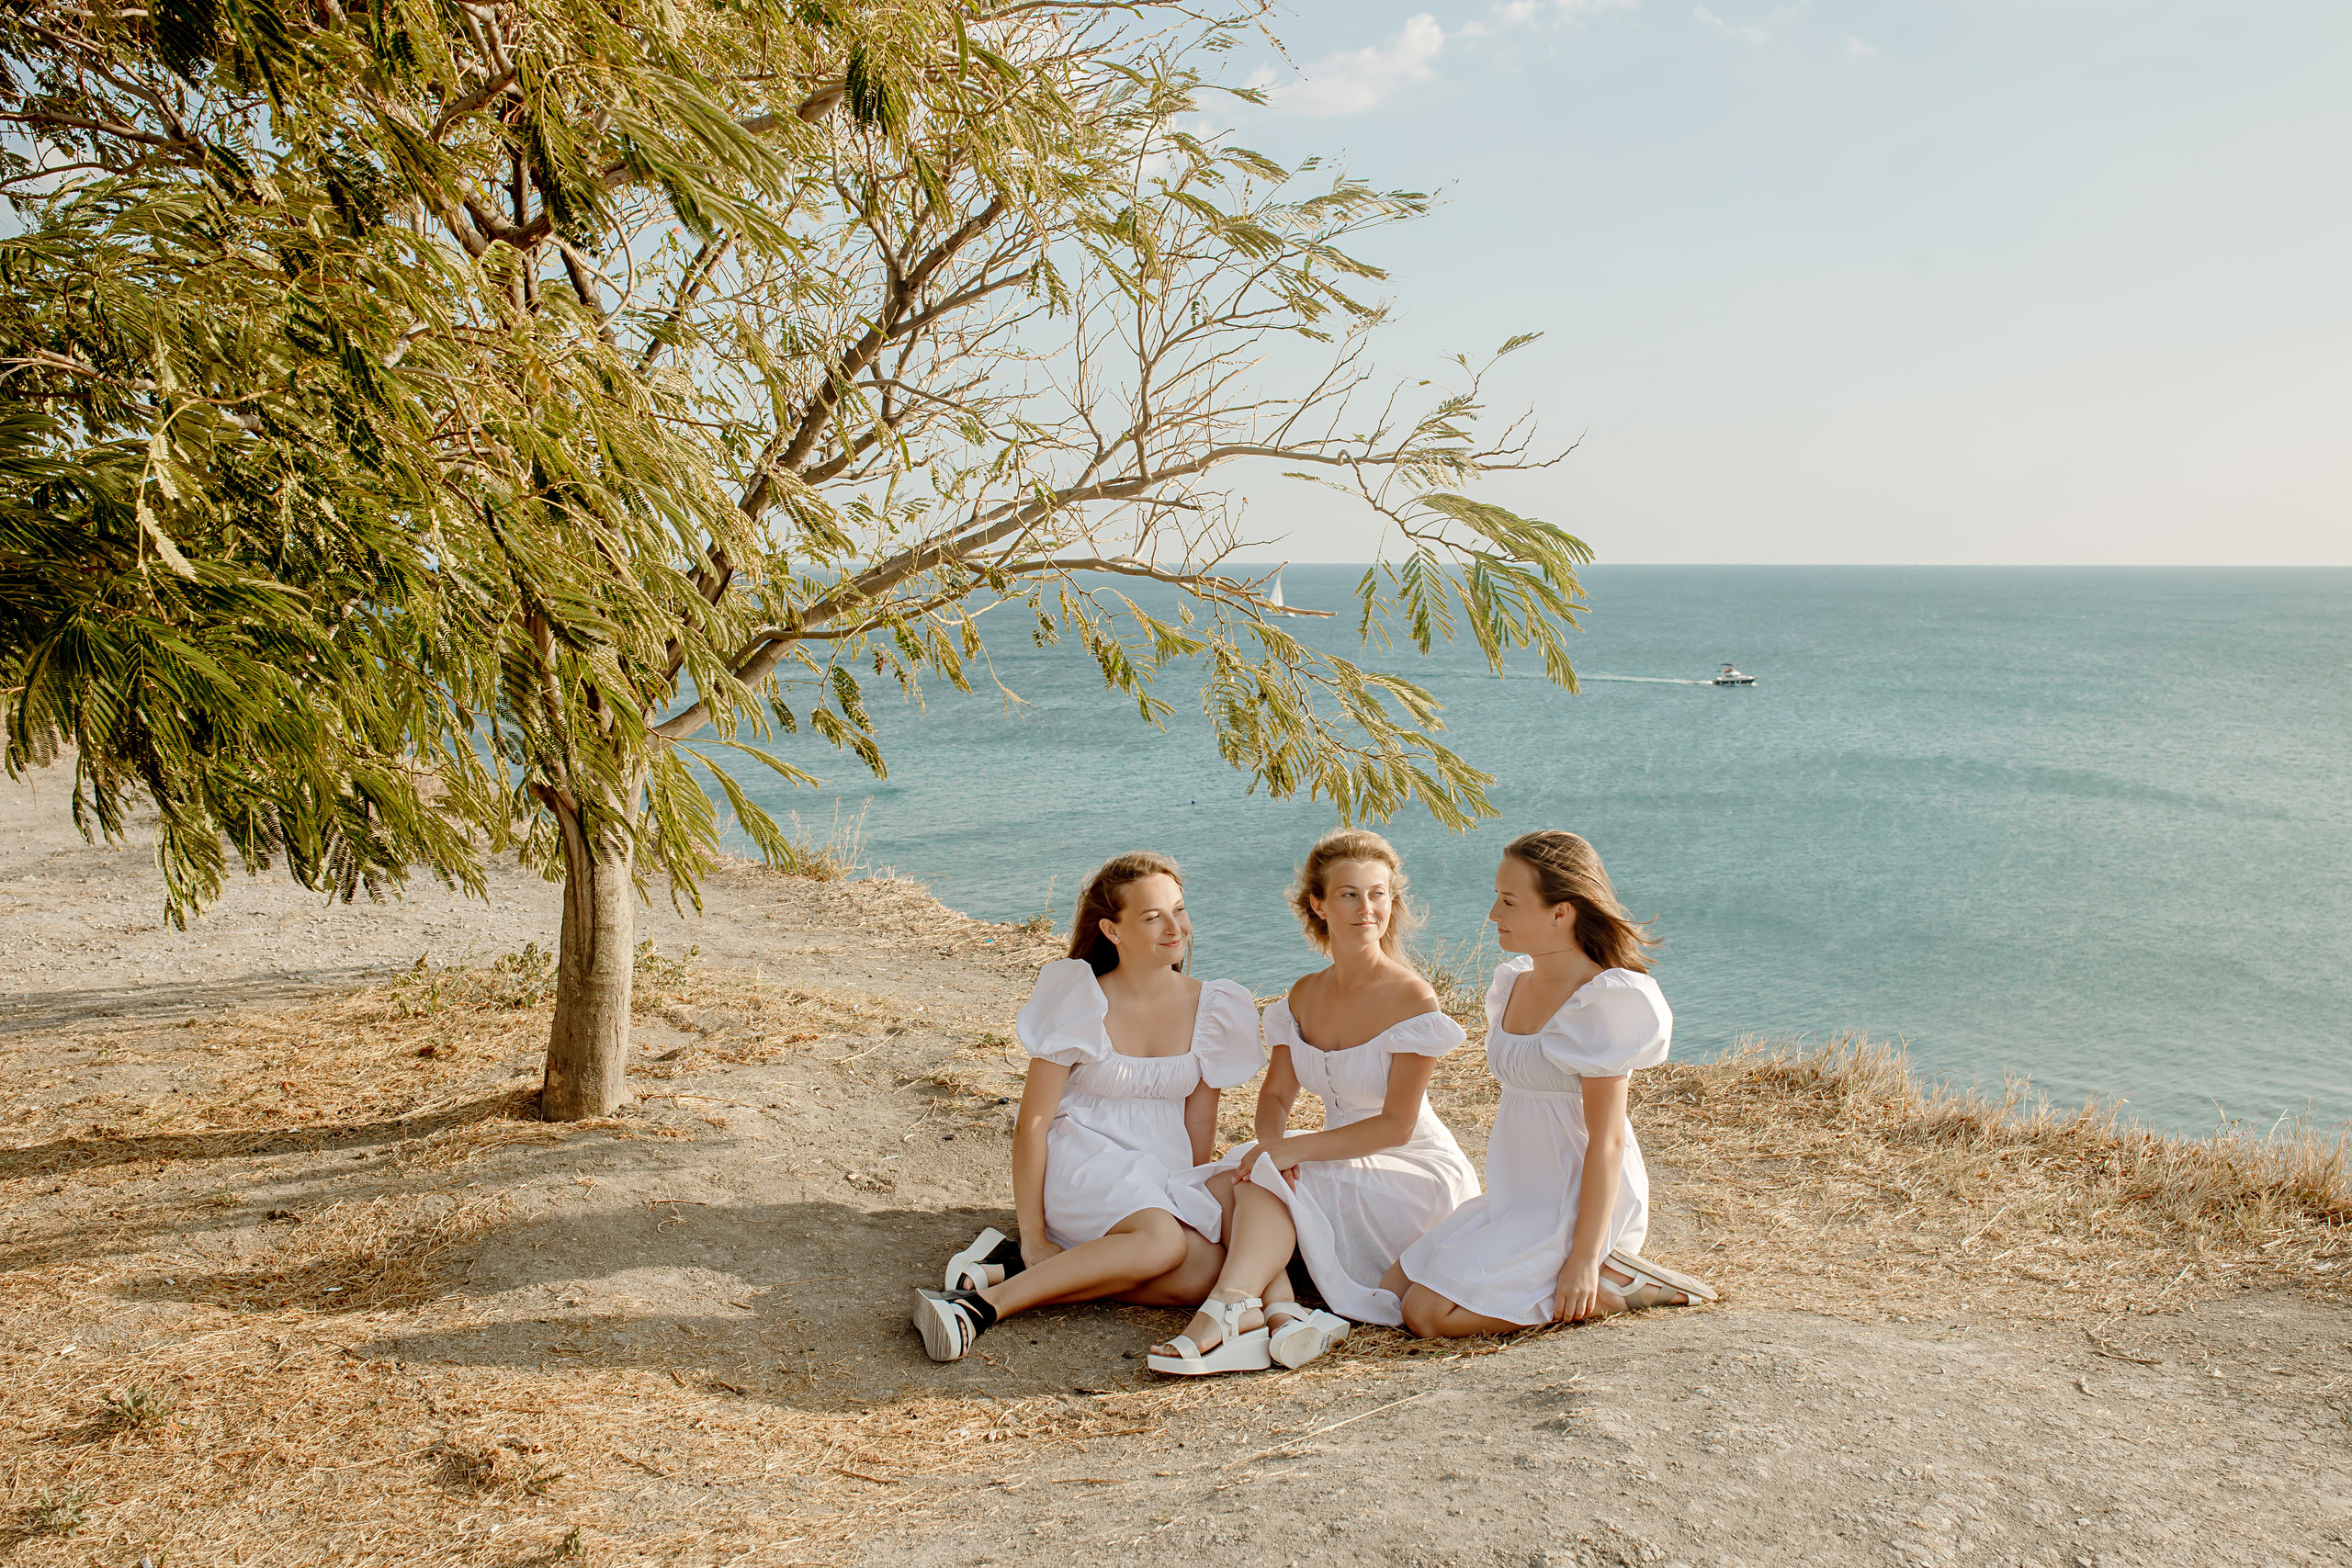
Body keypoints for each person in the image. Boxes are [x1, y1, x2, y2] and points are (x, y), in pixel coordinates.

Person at [1146, 829, 1479, 1375]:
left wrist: (1293, 1152)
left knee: (1262, 1175)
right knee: (1223, 1180)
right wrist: (1276, 1146)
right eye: (1349, 894)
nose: (1366, 908)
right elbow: (1276, 1093)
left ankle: (1224, 1312)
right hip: (1337, 1154)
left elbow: (1396, 1126)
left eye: (1378, 893)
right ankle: (1276, 1312)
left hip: (1411, 1168)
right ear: (1318, 905)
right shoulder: (1303, 994)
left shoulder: (1412, 998)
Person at [911, 852, 1264, 1362]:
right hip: (1083, 1160)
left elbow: (1199, 1116)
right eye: (1152, 917)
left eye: (1179, 910)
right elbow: (1031, 1125)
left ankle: (1016, 1265)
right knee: (1163, 1245)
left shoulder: (1214, 1007)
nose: (1175, 928)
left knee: (1203, 1275)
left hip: (1158, 1174)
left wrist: (1190, 1194)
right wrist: (1033, 1233)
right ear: (1112, 930)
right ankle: (980, 1307)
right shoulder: (1079, 998)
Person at [1390, 830, 1716, 1337]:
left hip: (1576, 1201)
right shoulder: (1514, 982)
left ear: (1560, 913)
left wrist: (1583, 1260)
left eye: (1509, 901)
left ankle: (1614, 1286)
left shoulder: (1603, 1002)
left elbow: (1606, 1140)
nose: (1492, 914)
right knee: (1393, 1286)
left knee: (1427, 1314)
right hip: (1519, 1195)